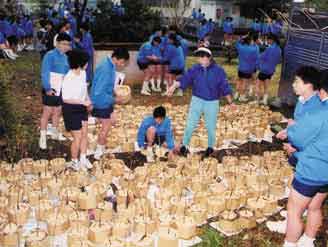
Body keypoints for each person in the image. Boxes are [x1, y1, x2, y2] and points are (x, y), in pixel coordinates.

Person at [279, 83, 328, 247]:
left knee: (294, 211)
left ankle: (290, 243)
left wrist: (291, 129)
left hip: (311, 171)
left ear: (322, 91)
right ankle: (308, 240)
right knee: (315, 206)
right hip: (326, 174)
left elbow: (299, 139)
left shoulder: (320, 113)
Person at [168, 47, 235, 157]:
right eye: (199, 58)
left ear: (209, 58)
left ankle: (210, 147)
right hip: (197, 100)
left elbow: (224, 87)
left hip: (212, 102)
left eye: (203, 57)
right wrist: (173, 86)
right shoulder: (195, 69)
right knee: (190, 124)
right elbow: (185, 79)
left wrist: (231, 102)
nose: (200, 60)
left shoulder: (218, 71)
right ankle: (184, 146)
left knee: (210, 127)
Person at [277, 66, 322, 166]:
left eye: (297, 81)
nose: (293, 85)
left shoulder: (318, 108)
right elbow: (299, 125)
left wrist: (296, 149)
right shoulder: (301, 100)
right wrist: (288, 131)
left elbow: (314, 138)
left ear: (309, 85)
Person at [90, 47, 130, 160]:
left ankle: (100, 143)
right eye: (122, 62)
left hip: (105, 100)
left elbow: (106, 86)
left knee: (112, 119)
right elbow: (99, 92)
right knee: (106, 127)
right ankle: (99, 150)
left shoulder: (109, 65)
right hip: (101, 101)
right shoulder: (106, 69)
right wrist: (115, 100)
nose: (122, 65)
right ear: (116, 58)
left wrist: (114, 92)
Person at [61, 49, 93, 170]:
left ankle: (83, 159)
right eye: (86, 62)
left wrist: (88, 100)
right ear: (80, 63)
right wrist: (83, 102)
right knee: (77, 137)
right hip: (71, 109)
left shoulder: (83, 73)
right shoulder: (69, 77)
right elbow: (66, 98)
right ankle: (74, 161)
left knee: (85, 134)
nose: (88, 64)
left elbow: (84, 90)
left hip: (82, 107)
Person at [39, 32, 71, 150]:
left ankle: (55, 133)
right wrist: (47, 88)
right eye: (63, 44)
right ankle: (42, 137)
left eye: (68, 45)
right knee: (47, 112)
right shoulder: (50, 55)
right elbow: (45, 72)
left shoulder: (66, 58)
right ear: (57, 43)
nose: (65, 47)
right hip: (50, 88)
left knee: (58, 111)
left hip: (61, 89)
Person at [256, 33, 282, 105]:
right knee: (266, 86)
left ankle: (257, 100)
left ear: (272, 40)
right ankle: (265, 100)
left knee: (258, 85)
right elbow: (279, 61)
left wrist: (258, 63)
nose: (267, 41)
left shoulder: (269, 49)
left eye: (268, 39)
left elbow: (261, 57)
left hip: (264, 70)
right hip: (271, 71)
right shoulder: (279, 49)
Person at [234, 35, 259, 102]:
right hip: (248, 69)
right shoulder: (254, 49)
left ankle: (236, 94)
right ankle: (241, 97)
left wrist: (242, 38)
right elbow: (257, 55)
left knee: (239, 81)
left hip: (241, 68)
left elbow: (236, 43)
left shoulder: (240, 47)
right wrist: (255, 44)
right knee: (245, 83)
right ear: (249, 41)